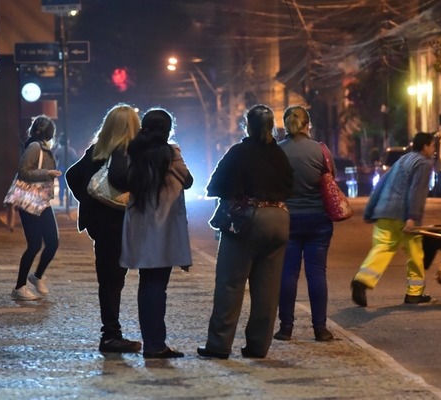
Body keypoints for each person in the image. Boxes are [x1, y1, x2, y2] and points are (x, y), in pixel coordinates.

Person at [197, 104, 293, 359]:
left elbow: (215, 185)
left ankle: (219, 345)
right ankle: (258, 346)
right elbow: (290, 186)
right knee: (268, 289)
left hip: (247, 222)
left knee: (231, 284)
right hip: (280, 220)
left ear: (247, 126)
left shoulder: (239, 152)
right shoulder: (279, 154)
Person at [111, 108, 193, 359]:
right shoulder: (171, 154)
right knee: (158, 285)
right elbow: (188, 180)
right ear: (167, 130)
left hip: (140, 226)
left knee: (147, 284)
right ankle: (156, 344)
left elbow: (118, 180)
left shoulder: (133, 152)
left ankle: (153, 342)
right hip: (165, 228)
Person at [65, 104, 142, 353]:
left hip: (100, 225)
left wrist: (89, 200)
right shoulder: (126, 151)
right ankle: (110, 336)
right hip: (117, 224)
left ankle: (111, 333)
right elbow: (120, 177)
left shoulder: (96, 150)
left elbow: (71, 175)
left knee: (108, 280)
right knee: (113, 281)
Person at [350, 132, 435, 307]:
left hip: (384, 212)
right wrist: (412, 217)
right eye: (432, 146)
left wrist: (370, 209)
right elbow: (417, 191)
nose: (433, 150)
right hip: (403, 215)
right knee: (415, 254)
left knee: (382, 248)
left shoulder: (402, 160)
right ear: (425, 146)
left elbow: (382, 182)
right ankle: (414, 293)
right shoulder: (423, 164)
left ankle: (362, 280)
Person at [274, 105, 335, 342]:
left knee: (288, 273)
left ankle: (286, 328)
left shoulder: (278, 152)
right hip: (318, 219)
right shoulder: (321, 151)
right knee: (317, 273)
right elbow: (330, 180)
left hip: (288, 219)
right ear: (307, 124)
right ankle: (320, 328)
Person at [11, 115, 62, 301]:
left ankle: (37, 276)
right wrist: (46, 172)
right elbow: (23, 172)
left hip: (42, 201)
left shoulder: (42, 147)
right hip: (30, 201)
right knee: (34, 244)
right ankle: (19, 287)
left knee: (52, 242)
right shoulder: (34, 147)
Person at [52, 133, 79, 206]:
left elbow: (54, 160)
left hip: (61, 170)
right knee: (69, 187)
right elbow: (75, 159)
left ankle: (61, 202)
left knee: (61, 186)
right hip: (69, 169)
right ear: (67, 141)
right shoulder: (71, 150)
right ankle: (69, 202)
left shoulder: (58, 150)